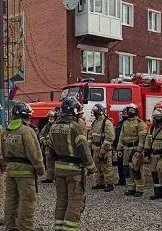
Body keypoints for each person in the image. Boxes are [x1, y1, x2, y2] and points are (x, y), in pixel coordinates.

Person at [48, 97, 96, 231]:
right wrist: (91, 168)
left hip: (59, 169)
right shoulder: (76, 127)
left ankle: (59, 227)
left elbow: (50, 149)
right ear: (74, 111)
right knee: (75, 201)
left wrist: (55, 163)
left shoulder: (54, 126)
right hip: (74, 171)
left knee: (61, 200)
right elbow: (83, 149)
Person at [3, 102, 45, 231]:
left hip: (10, 170)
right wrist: (40, 169)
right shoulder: (27, 131)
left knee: (11, 200)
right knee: (27, 201)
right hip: (25, 172)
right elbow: (34, 153)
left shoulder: (5, 131)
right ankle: (25, 228)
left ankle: (10, 227)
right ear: (26, 116)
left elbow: (2, 151)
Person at [117, 104, 148, 197]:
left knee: (136, 170)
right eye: (128, 110)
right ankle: (130, 188)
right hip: (126, 149)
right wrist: (119, 148)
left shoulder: (140, 123)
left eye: (131, 110)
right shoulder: (125, 123)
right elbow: (121, 137)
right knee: (126, 169)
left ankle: (139, 189)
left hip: (135, 150)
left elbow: (143, 138)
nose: (129, 112)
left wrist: (139, 151)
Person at [89, 103, 116, 192]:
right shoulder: (95, 122)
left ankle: (110, 184)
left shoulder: (107, 123)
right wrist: (89, 147)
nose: (94, 113)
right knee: (97, 167)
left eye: (96, 112)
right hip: (95, 148)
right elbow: (91, 135)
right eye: (94, 112)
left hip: (104, 149)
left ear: (100, 112)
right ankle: (100, 183)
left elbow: (110, 138)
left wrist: (103, 150)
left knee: (106, 166)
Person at [38, 108, 58, 183]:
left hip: (56, 148)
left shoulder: (57, 126)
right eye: (50, 117)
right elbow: (41, 134)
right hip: (48, 148)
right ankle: (49, 177)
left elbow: (56, 137)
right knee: (48, 163)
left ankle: (57, 178)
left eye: (52, 117)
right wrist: (43, 141)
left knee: (56, 163)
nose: (50, 118)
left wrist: (47, 141)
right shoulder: (47, 126)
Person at [113, 109, 128, 186]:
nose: (124, 114)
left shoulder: (129, 124)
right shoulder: (119, 124)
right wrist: (115, 146)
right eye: (123, 112)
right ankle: (122, 180)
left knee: (127, 165)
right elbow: (116, 136)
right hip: (119, 148)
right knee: (120, 165)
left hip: (127, 148)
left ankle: (128, 181)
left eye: (126, 112)